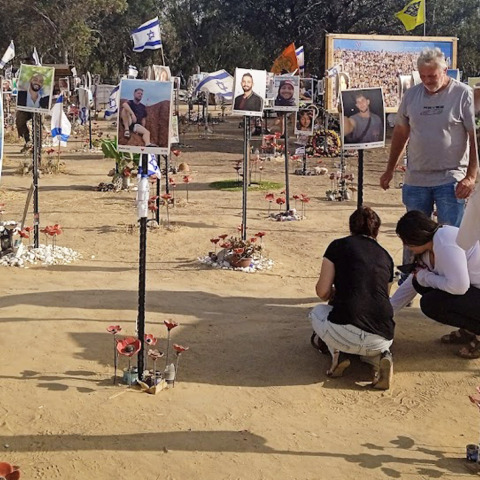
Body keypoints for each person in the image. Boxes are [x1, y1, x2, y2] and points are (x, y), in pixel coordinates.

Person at [380, 47, 478, 227]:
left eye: (432, 76)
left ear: (445, 70)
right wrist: (389, 169)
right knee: (415, 236)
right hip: (416, 180)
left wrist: (471, 177)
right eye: (422, 76)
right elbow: (401, 133)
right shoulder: (411, 95)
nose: (427, 81)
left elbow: (474, 138)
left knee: (449, 236)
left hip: (451, 180)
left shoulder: (463, 94)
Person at [309, 207, 394, 389]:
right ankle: (381, 358)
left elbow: (322, 292)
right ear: (376, 230)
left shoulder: (337, 246)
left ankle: (338, 353)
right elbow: (383, 296)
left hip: (344, 328)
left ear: (351, 227)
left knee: (316, 312)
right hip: (382, 334)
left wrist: (337, 292)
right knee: (371, 344)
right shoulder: (386, 256)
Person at [391, 210, 480, 358]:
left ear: (416, 237)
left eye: (406, 241)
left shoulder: (445, 242)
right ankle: (471, 329)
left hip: (471, 290)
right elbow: (415, 279)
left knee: (431, 303)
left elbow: (459, 286)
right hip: (474, 292)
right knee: (420, 284)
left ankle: (478, 330)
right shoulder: (429, 246)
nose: (406, 246)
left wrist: (426, 277)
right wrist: (388, 311)